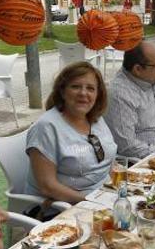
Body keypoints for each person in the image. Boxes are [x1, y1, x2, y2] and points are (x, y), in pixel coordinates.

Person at [25, 61, 117, 204]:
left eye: (91, 88)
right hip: (63, 208)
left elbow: (109, 159)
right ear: (62, 91)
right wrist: (92, 202)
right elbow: (48, 187)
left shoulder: (96, 119)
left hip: (106, 196)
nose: (83, 93)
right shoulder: (46, 128)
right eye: (75, 87)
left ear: (98, 94)